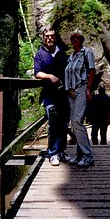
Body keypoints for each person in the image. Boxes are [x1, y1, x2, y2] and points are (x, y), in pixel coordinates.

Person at [34, 27, 70, 166]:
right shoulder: (40, 54)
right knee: (54, 122)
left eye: (52, 36)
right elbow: (37, 73)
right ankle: (53, 153)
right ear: (43, 38)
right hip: (49, 94)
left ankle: (61, 151)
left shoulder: (61, 53)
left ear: (55, 37)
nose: (50, 38)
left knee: (64, 123)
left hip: (63, 94)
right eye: (47, 36)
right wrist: (50, 76)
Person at [64, 29, 95, 167]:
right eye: (73, 38)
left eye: (78, 38)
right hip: (70, 92)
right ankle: (79, 155)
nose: (75, 40)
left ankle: (88, 156)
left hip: (81, 89)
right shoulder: (71, 56)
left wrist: (89, 88)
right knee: (75, 123)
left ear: (81, 40)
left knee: (77, 121)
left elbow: (92, 70)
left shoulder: (86, 52)